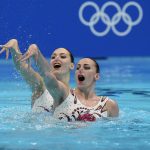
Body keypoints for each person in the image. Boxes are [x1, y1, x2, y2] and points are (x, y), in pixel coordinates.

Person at [0, 39, 74, 112]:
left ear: (72, 65)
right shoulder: (41, 86)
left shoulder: (76, 96)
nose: (57, 58)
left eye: (63, 56)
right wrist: (14, 49)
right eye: (53, 57)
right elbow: (22, 67)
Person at [53, 58, 119, 121]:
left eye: (86, 68)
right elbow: (47, 76)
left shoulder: (109, 105)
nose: (80, 69)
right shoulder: (64, 94)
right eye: (78, 68)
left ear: (97, 76)